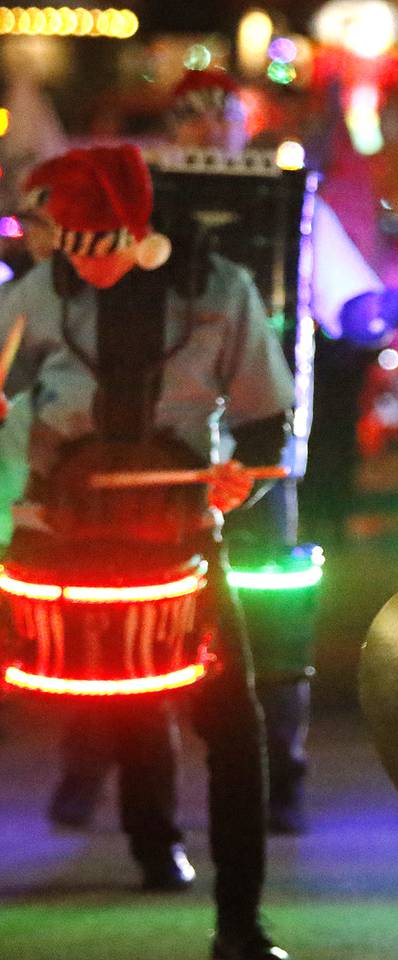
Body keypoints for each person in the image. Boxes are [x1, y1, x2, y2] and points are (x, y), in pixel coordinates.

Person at [1, 144, 294, 960]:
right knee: (118, 705)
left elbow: (266, 425)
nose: (84, 264)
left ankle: (240, 925)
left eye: (99, 245)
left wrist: (248, 480)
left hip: (180, 536)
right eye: (69, 244)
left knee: (235, 727)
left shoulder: (221, 293)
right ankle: (149, 833)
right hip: (56, 534)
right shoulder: (34, 296)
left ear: (142, 232)